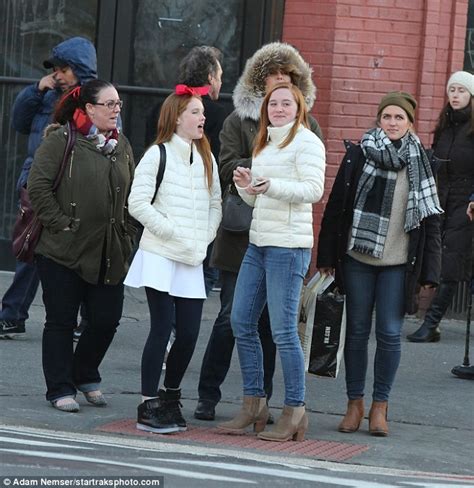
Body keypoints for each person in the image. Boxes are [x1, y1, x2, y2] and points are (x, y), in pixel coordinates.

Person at [194, 42, 324, 422]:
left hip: (285, 240)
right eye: (273, 88)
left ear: (297, 95)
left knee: (278, 328)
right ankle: (214, 395)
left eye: (287, 88)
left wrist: (270, 179)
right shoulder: (243, 124)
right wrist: (251, 178)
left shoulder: (306, 132)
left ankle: (278, 406)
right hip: (243, 236)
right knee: (233, 319)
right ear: (260, 88)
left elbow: (310, 185)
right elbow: (229, 166)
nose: (279, 98)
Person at [317, 91, 443, 437]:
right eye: (386, 117)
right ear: (379, 120)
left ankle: (379, 406)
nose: (392, 123)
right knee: (357, 332)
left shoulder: (423, 162)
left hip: (398, 264)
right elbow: (336, 206)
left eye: (398, 118)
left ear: (410, 123)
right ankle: (354, 403)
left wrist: (431, 272)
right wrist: (326, 255)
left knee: (389, 333)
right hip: (358, 259)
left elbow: (432, 222)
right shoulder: (358, 155)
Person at [27, 80, 135, 412]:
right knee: (61, 320)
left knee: (106, 319)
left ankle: (84, 372)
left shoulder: (121, 145)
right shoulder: (61, 141)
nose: (116, 110)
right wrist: (63, 224)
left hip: (109, 250)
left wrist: (128, 232)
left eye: (118, 104)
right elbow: (38, 188)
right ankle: (60, 387)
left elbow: (132, 193)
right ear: (88, 108)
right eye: (109, 104)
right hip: (63, 250)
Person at [125, 85, 222, 434]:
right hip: (160, 255)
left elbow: (216, 204)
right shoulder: (157, 154)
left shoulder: (207, 157)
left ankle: (170, 397)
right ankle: (147, 403)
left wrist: (204, 236)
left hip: (192, 258)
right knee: (162, 328)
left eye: (202, 112)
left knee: (190, 334)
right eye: (195, 112)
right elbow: (137, 204)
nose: (202, 117)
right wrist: (170, 230)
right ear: (177, 117)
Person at [0, 37, 97, 339]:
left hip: (74, 185)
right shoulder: (45, 94)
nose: (57, 74)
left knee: (79, 251)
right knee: (30, 247)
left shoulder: (95, 98)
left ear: (79, 69)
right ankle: (12, 314)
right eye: (55, 69)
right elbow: (18, 122)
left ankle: (86, 319)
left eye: (64, 69)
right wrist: (35, 90)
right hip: (39, 181)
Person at [145, 46, 228, 295]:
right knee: (200, 280)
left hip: (162, 212)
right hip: (195, 214)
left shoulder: (160, 108)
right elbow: (216, 171)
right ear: (211, 78)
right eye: (220, 76)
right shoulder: (216, 115)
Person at [407, 71, 474, 343]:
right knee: (432, 256)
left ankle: (431, 322)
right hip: (440, 199)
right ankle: (424, 317)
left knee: (450, 262)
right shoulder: (444, 126)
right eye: (452, 90)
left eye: (461, 90)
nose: (455, 95)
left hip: (466, 203)